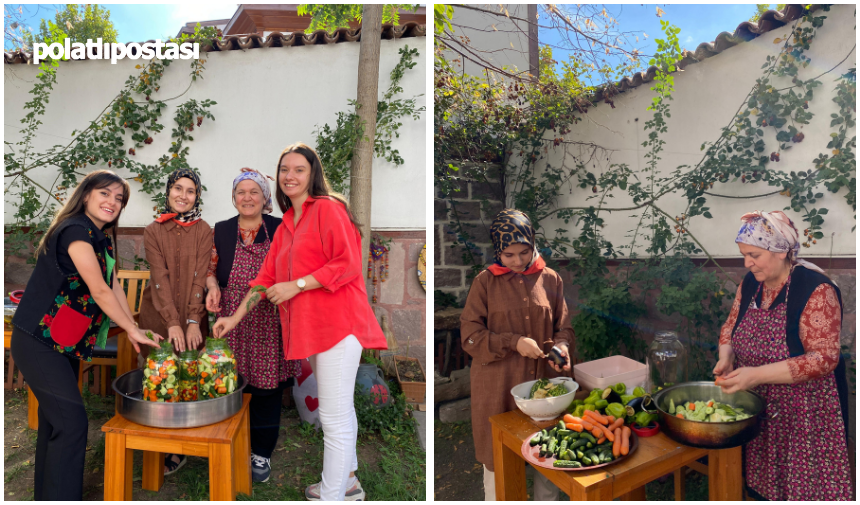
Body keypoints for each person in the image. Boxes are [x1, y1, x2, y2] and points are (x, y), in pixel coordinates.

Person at [211, 142, 387, 501]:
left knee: (334, 418)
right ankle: (348, 483)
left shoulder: (327, 209)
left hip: (339, 326)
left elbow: (348, 263)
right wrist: (233, 317)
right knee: (340, 410)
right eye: (284, 170)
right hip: (316, 331)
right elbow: (263, 278)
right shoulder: (289, 222)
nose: (290, 176)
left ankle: (332, 494)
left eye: (299, 169)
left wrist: (298, 285)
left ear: (312, 175)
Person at [10, 170, 163, 501]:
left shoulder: (100, 235)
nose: (112, 202)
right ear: (86, 195)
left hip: (62, 340)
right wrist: (131, 327)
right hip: (38, 341)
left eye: (119, 198)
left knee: (57, 424)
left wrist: (133, 328)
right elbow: (99, 292)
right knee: (73, 423)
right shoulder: (77, 231)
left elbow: (114, 286)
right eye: (105, 194)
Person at [714, 210, 851, 501]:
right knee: (764, 484)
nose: (747, 263)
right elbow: (730, 326)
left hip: (803, 414)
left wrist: (755, 374)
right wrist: (726, 356)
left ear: (780, 251)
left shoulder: (816, 289)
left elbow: (824, 358)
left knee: (803, 489)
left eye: (754, 255)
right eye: (743, 255)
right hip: (758, 405)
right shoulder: (751, 283)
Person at [460, 208, 575, 501]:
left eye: (524, 252)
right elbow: (470, 337)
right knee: (499, 464)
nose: (518, 261)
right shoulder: (484, 282)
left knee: (547, 457)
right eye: (508, 254)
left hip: (545, 387)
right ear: (497, 250)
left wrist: (561, 347)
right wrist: (514, 342)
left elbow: (564, 328)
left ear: (533, 243)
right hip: (499, 386)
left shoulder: (551, 279)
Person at [205, 168, 301, 483]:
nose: (247, 198)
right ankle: (227, 441)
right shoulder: (220, 229)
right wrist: (212, 286)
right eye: (241, 192)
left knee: (265, 389)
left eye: (254, 192)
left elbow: (284, 271)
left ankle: (260, 453)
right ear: (234, 198)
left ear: (264, 198)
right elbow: (211, 268)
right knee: (227, 384)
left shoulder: (280, 227)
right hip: (230, 316)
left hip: (268, 317)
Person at [138, 168, 213, 476]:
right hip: (159, 313)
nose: (183, 195)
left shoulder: (204, 229)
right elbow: (159, 277)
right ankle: (164, 445)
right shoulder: (153, 230)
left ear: (197, 196)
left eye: (190, 190)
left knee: (190, 374)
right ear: (168, 191)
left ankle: (187, 442)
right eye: (178, 188)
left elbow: (200, 274)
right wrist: (171, 321)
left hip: (193, 313)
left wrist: (194, 319)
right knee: (162, 378)